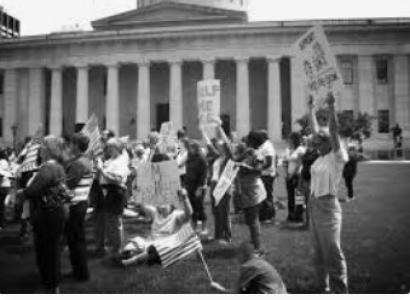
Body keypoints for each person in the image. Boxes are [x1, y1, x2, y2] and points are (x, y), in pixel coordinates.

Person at [308, 93, 349, 293]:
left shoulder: (336, 157)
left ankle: (340, 290)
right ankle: (321, 286)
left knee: (332, 250)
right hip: (314, 204)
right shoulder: (320, 158)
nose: (314, 145)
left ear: (327, 142)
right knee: (317, 251)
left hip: (328, 206)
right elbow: (316, 130)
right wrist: (311, 109)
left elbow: (333, 131)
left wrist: (332, 107)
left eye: (318, 142)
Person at [22, 136, 69, 293]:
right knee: (51, 249)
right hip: (55, 212)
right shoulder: (57, 166)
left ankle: (51, 284)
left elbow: (33, 190)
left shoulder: (48, 168)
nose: (40, 149)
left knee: (48, 250)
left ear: (48, 150)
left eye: (42, 146)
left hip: (48, 214)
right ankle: (51, 281)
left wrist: (24, 192)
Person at [120, 188, 193, 266]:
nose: (162, 206)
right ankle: (132, 256)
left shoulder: (177, 215)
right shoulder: (155, 212)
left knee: (155, 251)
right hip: (150, 242)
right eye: (160, 204)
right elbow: (142, 205)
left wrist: (185, 198)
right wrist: (137, 192)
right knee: (131, 247)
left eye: (165, 203)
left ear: (172, 205)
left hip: (165, 246)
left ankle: (132, 261)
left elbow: (189, 214)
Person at [95, 138, 129, 260]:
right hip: (107, 192)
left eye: (111, 147)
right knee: (110, 222)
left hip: (115, 192)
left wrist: (101, 170)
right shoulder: (110, 160)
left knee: (115, 223)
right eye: (108, 147)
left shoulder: (121, 161)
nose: (108, 150)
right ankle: (114, 248)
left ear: (118, 148)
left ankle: (118, 249)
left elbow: (117, 179)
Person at [64, 133, 92, 282]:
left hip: (76, 204)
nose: (69, 146)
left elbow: (68, 183)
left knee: (75, 240)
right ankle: (79, 271)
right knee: (77, 239)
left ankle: (80, 273)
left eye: (71, 143)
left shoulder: (78, 163)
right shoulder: (85, 161)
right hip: (81, 202)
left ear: (76, 145)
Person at [210, 242, 287, 294]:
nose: (236, 258)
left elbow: (235, 292)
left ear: (242, 255)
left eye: (238, 255)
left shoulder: (248, 266)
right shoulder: (259, 261)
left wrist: (219, 288)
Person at [235, 131, 266, 255]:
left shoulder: (258, 154)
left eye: (248, 138)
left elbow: (258, 171)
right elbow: (234, 160)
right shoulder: (249, 152)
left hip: (253, 190)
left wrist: (244, 166)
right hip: (246, 189)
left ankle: (258, 249)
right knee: (249, 219)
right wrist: (241, 156)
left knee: (253, 220)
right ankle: (254, 242)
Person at [204, 125, 234, 245]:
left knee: (224, 212)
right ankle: (218, 235)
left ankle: (227, 236)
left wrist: (220, 128)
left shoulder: (229, 159)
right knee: (216, 211)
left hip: (224, 186)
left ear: (225, 148)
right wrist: (203, 131)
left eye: (221, 146)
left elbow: (228, 144)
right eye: (218, 146)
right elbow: (209, 145)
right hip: (214, 184)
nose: (219, 147)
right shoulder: (218, 157)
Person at [185, 140, 208, 235]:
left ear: (196, 148)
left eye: (191, 147)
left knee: (200, 207)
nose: (190, 149)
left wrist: (200, 187)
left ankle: (204, 228)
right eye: (190, 147)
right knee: (192, 207)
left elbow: (204, 174)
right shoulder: (189, 158)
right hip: (190, 186)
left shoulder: (201, 159)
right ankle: (194, 227)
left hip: (198, 186)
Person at [284, 132, 306, 223]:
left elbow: (300, 163)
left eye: (290, 139)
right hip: (289, 175)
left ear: (294, 140)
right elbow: (286, 162)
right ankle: (291, 215)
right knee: (290, 197)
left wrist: (292, 175)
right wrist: (287, 174)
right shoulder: (289, 149)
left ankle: (299, 215)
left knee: (299, 196)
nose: (288, 140)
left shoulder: (300, 149)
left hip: (298, 175)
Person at [256, 130, 277, 224]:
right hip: (264, 174)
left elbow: (269, 162)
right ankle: (264, 215)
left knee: (267, 196)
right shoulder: (264, 145)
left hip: (267, 174)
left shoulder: (267, 146)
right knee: (263, 195)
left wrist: (258, 169)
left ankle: (269, 216)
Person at [299, 136, 319, 228]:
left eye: (309, 140)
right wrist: (301, 180)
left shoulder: (317, 153)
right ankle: (307, 222)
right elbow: (303, 166)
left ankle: (311, 224)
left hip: (313, 180)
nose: (307, 141)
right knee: (305, 201)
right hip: (305, 178)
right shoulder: (307, 152)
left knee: (311, 202)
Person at [0, 149, 12, 230]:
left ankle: (2, 224)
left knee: (1, 206)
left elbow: (1, 174)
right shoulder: (7, 162)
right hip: (7, 185)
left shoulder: (1, 162)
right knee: (2, 205)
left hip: (1, 186)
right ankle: (3, 222)